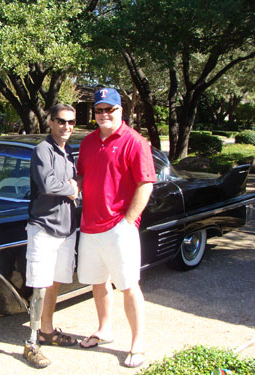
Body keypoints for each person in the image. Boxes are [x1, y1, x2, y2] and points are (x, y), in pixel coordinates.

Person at [76, 88, 156, 368]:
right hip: (90, 227)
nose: (104, 114)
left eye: (109, 109)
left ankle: (137, 344)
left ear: (121, 111)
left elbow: (146, 183)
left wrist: (127, 221)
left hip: (119, 228)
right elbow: (81, 176)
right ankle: (104, 329)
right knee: (99, 283)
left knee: (129, 286)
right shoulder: (87, 143)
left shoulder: (135, 142)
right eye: (99, 109)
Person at [23, 103, 79, 368]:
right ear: (51, 122)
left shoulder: (69, 154)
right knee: (40, 286)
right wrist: (69, 189)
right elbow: (46, 184)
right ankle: (31, 343)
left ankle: (47, 331)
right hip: (43, 229)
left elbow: (77, 187)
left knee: (55, 283)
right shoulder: (42, 150)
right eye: (61, 121)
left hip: (65, 231)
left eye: (70, 122)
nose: (66, 126)